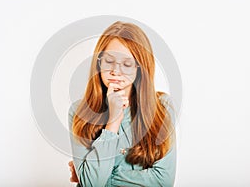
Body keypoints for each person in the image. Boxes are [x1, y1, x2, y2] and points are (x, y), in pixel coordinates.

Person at [67, 21, 177, 187]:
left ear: (140, 68)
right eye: (109, 61)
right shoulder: (78, 111)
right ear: (99, 63)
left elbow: (163, 181)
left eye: (126, 64)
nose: (116, 71)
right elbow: (92, 184)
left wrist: (104, 176)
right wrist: (113, 121)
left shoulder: (162, 107)